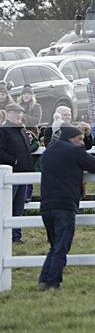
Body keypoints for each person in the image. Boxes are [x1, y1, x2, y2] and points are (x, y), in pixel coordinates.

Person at [37, 125, 95, 290]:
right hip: (65, 204)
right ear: (70, 138)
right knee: (61, 246)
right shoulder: (74, 151)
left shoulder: (47, 153)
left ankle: (43, 281)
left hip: (46, 205)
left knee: (55, 245)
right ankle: (53, 283)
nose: (82, 143)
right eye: (80, 139)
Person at [0, 103, 36, 243]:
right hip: (11, 175)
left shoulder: (21, 130)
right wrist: (14, 162)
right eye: (15, 112)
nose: (18, 115)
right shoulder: (3, 131)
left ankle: (16, 237)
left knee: (18, 208)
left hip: (23, 175)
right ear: (8, 114)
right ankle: (6, 236)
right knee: (7, 206)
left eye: (20, 113)